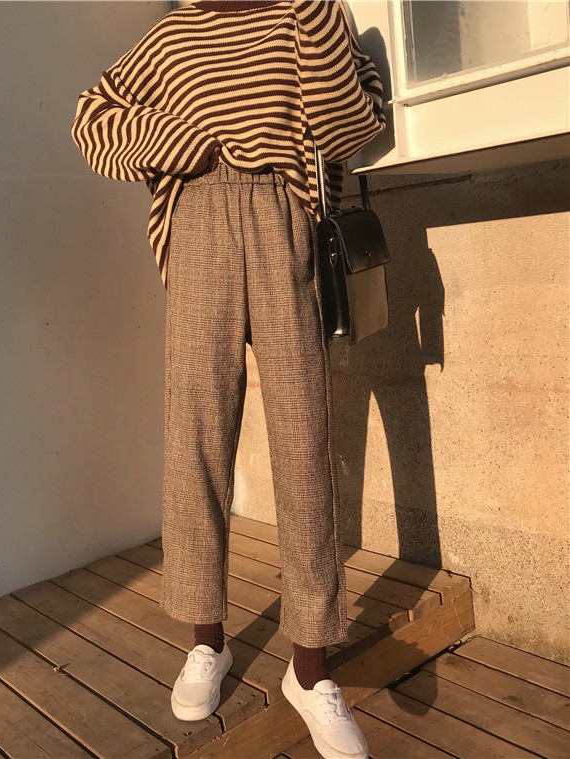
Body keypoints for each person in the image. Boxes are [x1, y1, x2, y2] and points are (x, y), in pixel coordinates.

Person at [72, 2, 386, 757]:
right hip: (199, 220)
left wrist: (314, 12)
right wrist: (187, 142)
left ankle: (309, 668)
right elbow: (93, 119)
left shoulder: (305, 14)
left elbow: (353, 120)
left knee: (303, 438)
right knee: (198, 435)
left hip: (284, 215)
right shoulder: (176, 32)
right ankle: (206, 639)